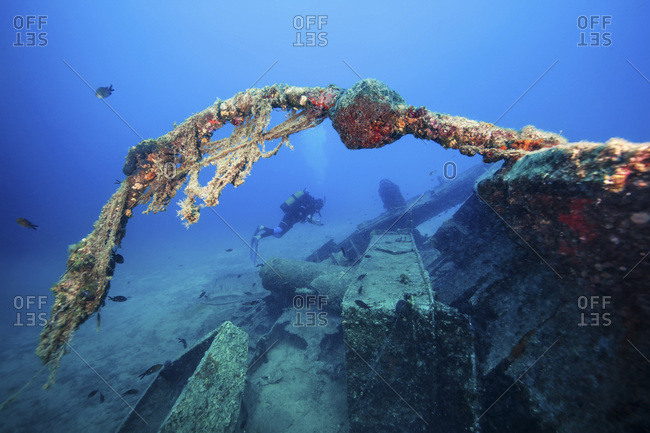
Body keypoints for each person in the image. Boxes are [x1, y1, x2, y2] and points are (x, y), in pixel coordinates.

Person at [250, 189, 324, 264]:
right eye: (319, 207)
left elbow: (307, 217)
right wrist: (306, 216)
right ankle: (261, 229)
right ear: (317, 204)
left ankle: (259, 236)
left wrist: (316, 222)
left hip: (293, 221)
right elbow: (302, 212)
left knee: (278, 235)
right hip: (290, 216)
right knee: (278, 230)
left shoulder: (310, 207)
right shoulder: (308, 202)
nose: (318, 209)